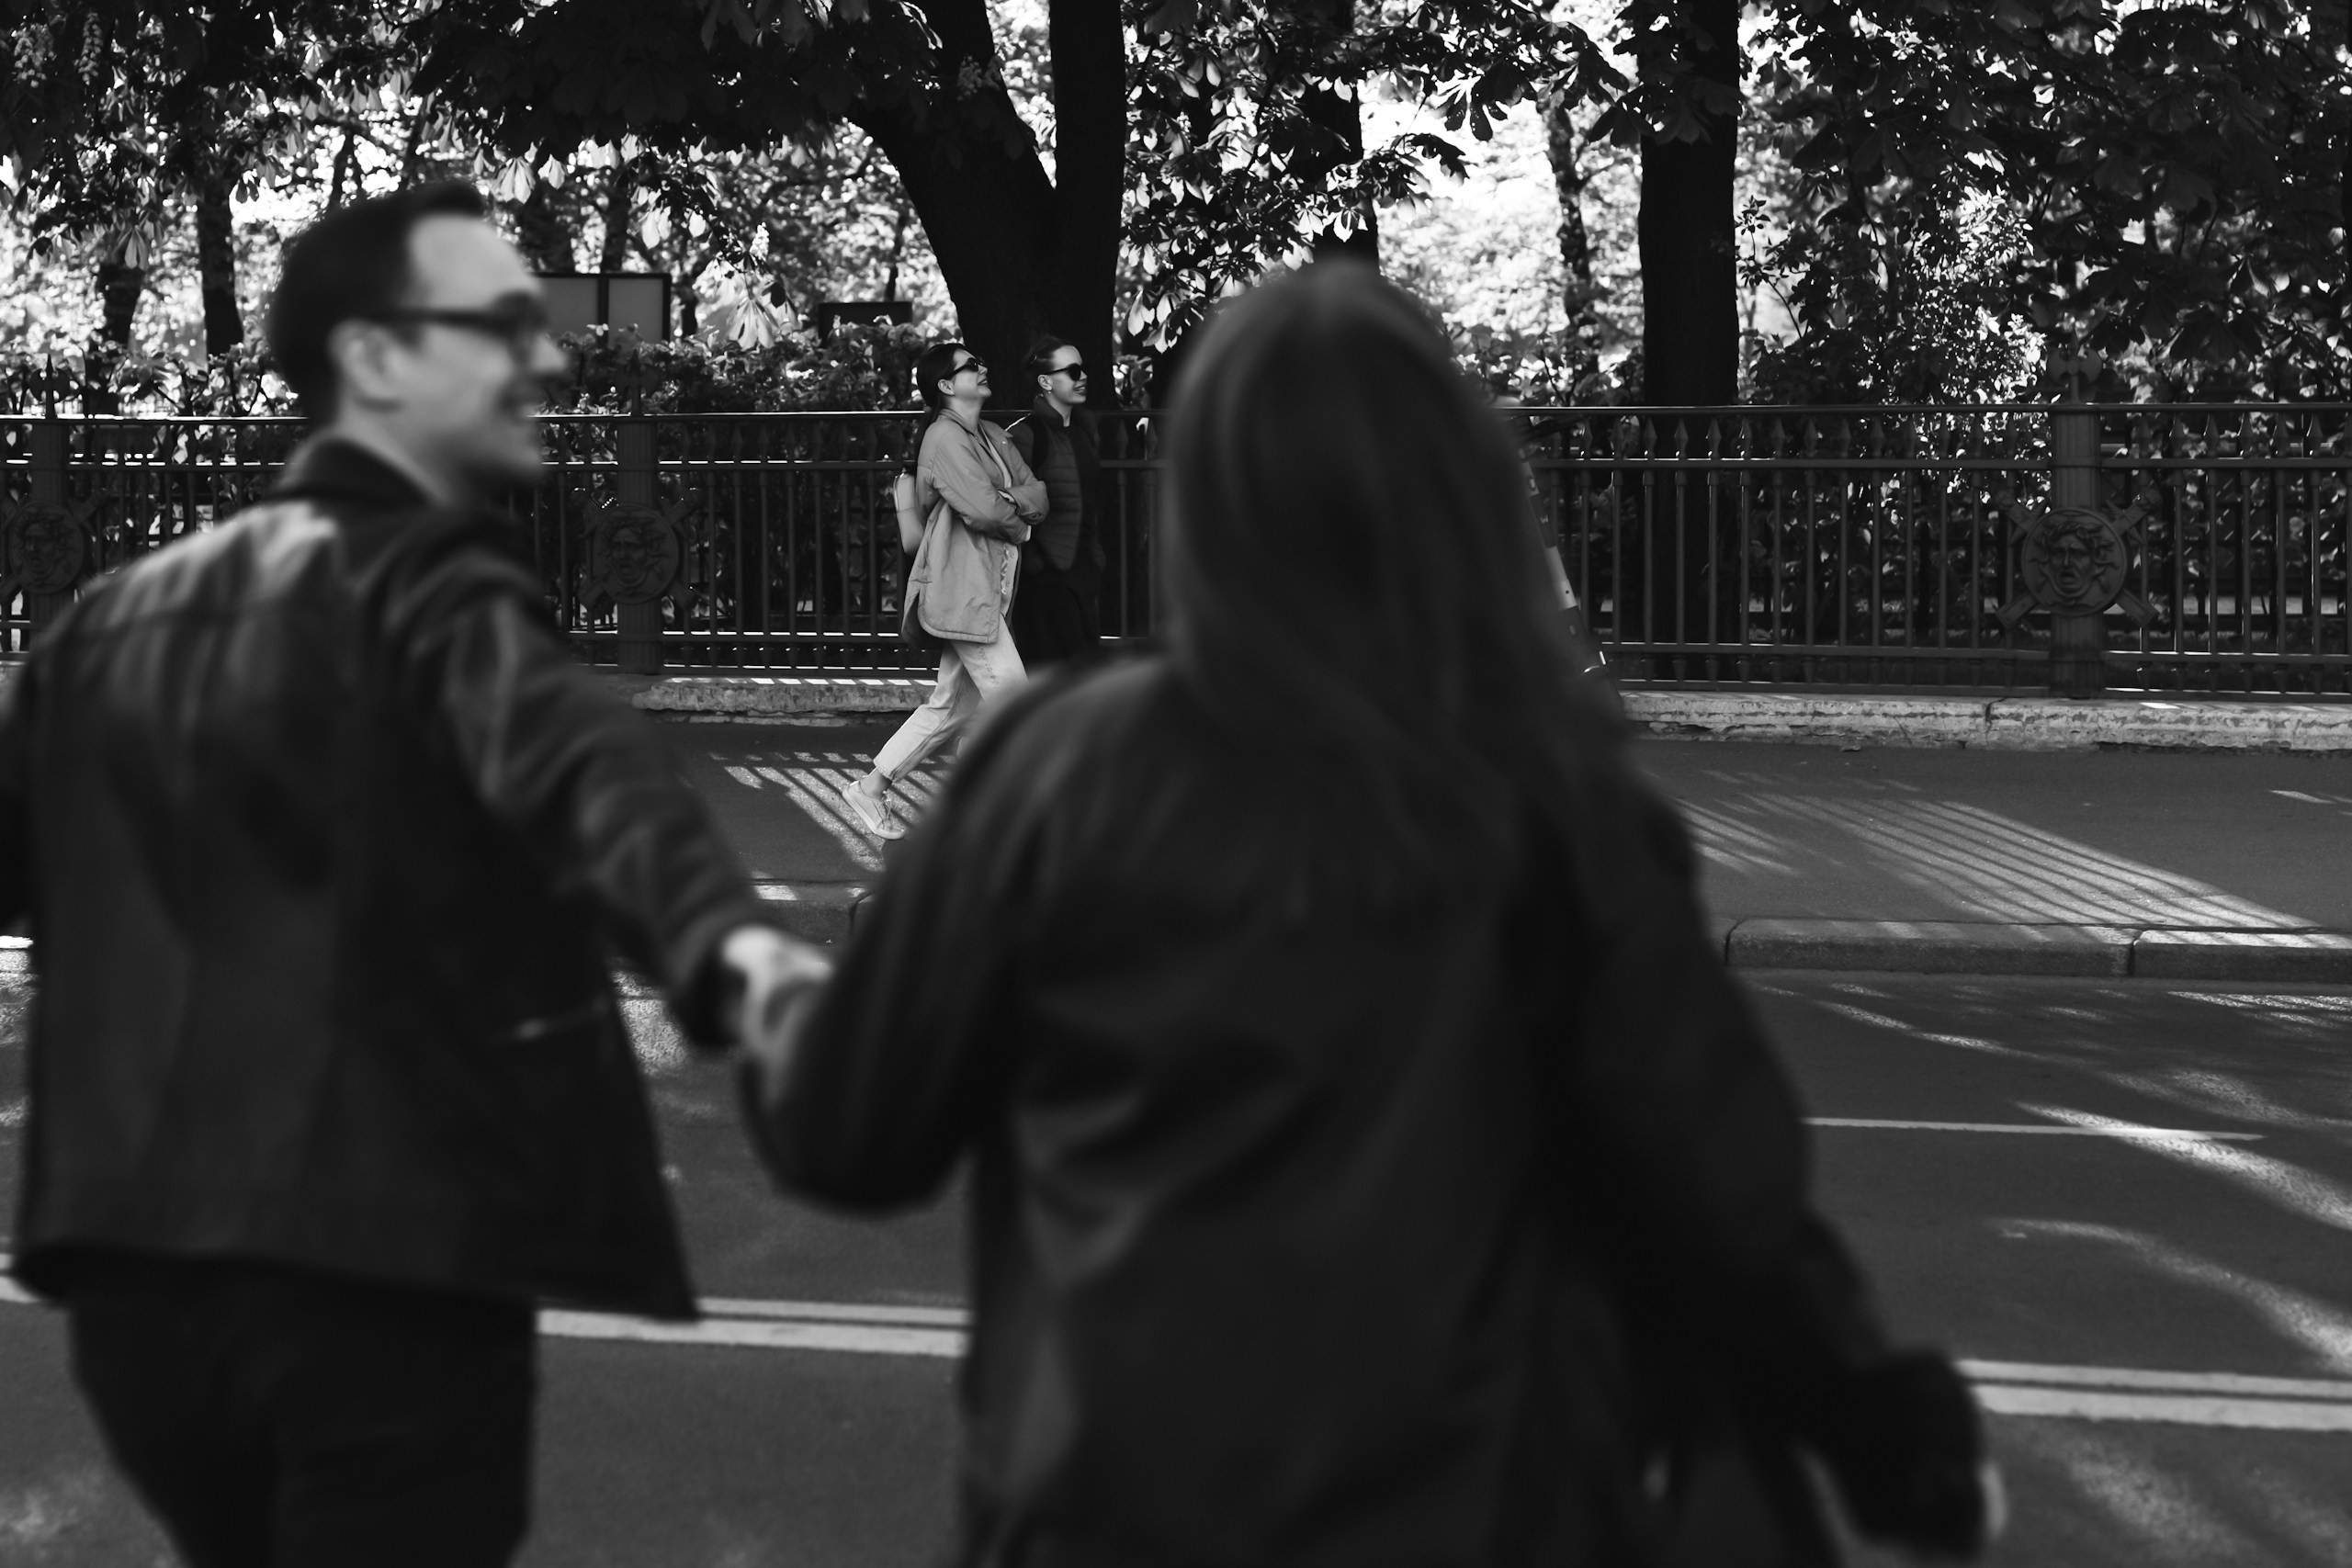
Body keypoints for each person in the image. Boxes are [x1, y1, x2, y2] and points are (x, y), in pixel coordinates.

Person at [739, 264, 1997, 1566]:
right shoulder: (1550, 803)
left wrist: (775, 988)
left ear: (1210, 500)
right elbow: (1724, 1198)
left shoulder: (1054, 769)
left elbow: (850, 1129)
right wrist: (1898, 1449)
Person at [0, 182, 831, 1568]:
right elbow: (583, 773)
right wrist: (735, 952)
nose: (549, 356)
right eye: (500, 323)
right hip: (376, 1273)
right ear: (373, 358)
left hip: (135, 1284)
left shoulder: (110, 619)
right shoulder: (441, 595)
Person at [838, 341, 1045, 840]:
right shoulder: (942, 438)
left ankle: (871, 787)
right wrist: (1018, 519)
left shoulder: (991, 434)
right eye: (972, 365)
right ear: (947, 386)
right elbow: (984, 510)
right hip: (961, 590)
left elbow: (1037, 492)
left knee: (951, 705)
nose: (984, 367)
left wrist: (1011, 502)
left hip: (985, 588)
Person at [1003, 335, 1107, 667]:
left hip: (1082, 571)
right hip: (1045, 579)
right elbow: (1011, 504)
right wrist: (1037, 563)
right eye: (1074, 371)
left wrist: (1094, 558)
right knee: (1054, 677)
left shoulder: (1085, 431)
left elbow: (1089, 501)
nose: (1084, 377)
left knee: (1085, 671)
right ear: (1045, 382)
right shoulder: (1024, 435)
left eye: (1084, 369)